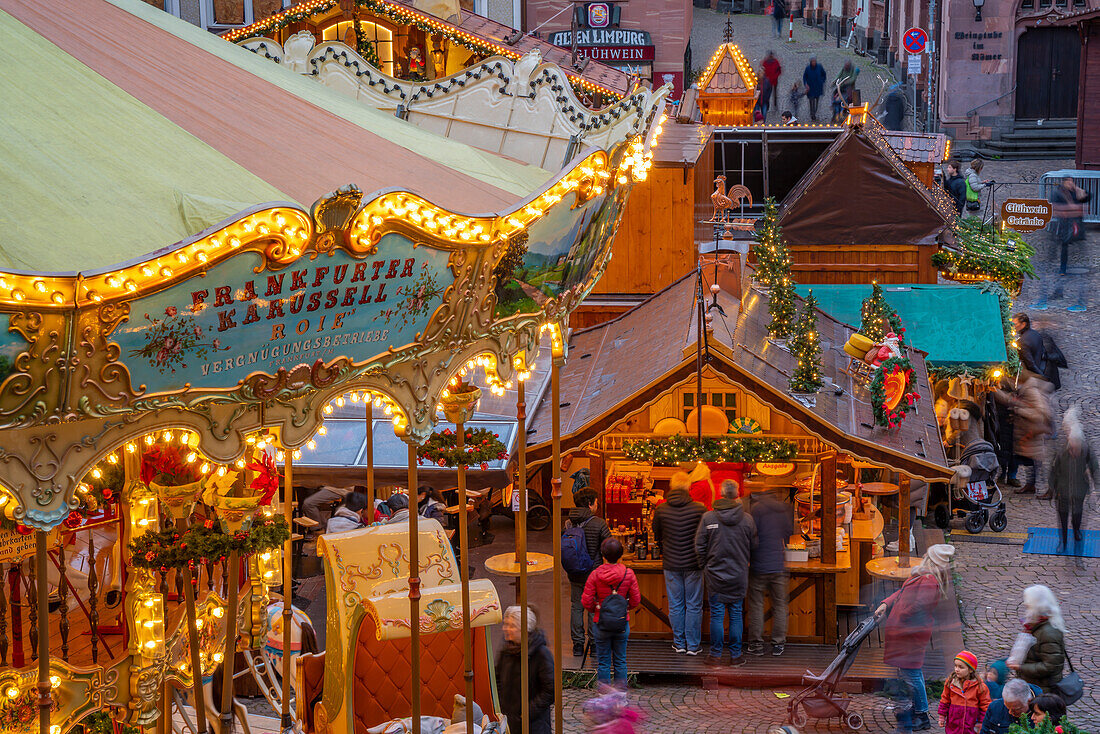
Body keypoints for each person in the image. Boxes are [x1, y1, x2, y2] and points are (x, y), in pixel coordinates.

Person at [874, 544, 956, 732]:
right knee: (911, 672)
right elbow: (902, 592)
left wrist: (899, 614)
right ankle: (918, 708)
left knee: (912, 673)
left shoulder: (928, 580)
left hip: (910, 634)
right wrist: (887, 604)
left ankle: (922, 714)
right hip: (908, 633)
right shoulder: (924, 575)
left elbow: (918, 605)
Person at [694, 480, 757, 667]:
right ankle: (736, 656)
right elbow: (754, 546)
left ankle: (715, 656)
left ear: (721, 494)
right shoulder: (747, 520)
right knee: (736, 614)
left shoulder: (708, 518)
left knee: (716, 615)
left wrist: (705, 565)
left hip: (715, 575)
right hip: (738, 573)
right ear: (737, 494)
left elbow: (700, 546)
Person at [652, 472, 705, 655]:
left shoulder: (661, 509)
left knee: (675, 604)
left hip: (671, 563)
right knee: (693, 605)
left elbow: (656, 535)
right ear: (688, 487)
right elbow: (705, 537)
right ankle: (693, 645)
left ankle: (679, 643)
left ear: (672, 487)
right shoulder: (699, 509)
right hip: (694, 564)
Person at [581, 538, 641, 687]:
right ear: (620, 555)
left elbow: (586, 600)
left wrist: (596, 609)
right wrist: (625, 608)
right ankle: (620, 697)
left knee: (603, 662)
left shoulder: (595, 575)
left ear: (603, 555)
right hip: (621, 622)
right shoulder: (628, 574)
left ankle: (605, 698)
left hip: (600, 622)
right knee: (620, 660)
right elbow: (636, 599)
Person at [745, 486, 793, 657]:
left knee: (756, 605)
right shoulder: (783, 509)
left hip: (758, 564)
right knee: (780, 605)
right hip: (778, 563)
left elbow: (751, 534)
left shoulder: (756, 509)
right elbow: (789, 531)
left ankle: (756, 645)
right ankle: (778, 644)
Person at [566, 488, 612, 656]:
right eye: (596, 502)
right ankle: (594, 645)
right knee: (594, 608)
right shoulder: (599, 523)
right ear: (590, 504)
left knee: (576, 607)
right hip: (594, 573)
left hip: (575, 572)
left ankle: (578, 645)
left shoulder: (569, 523)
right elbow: (609, 547)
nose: (597, 505)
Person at [494, 606, 554, 734]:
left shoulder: (541, 653)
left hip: (533, 725)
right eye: (505, 624)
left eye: (511, 626)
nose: (505, 629)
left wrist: (527, 712)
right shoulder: (506, 650)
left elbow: (550, 690)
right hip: (509, 722)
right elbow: (497, 679)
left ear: (524, 629)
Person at [1049, 406, 1097, 550]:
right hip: (1062, 490)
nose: (1075, 450)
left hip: (1079, 489)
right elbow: (1053, 470)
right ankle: (1063, 541)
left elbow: (1095, 468)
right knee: (1063, 516)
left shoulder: (1086, 450)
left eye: (1078, 447)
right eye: (1073, 447)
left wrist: (1097, 486)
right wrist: (1051, 487)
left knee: (1077, 513)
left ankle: (1076, 530)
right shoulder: (1061, 453)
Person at [1042, 176, 1090, 312]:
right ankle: (1059, 288)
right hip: (1061, 231)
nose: (1070, 184)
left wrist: (1080, 191)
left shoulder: (1075, 192)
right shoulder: (1057, 193)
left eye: (1072, 182)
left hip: (1074, 231)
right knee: (1057, 260)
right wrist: (1073, 208)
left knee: (1076, 264)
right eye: (1068, 181)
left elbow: (1087, 199)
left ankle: (1078, 299)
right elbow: (1057, 208)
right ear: (1063, 183)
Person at [1001, 369, 1053, 496]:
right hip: (1027, 433)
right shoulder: (1025, 389)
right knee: (1029, 461)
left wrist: (1019, 410)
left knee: (1033, 462)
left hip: (1031, 433)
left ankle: (1046, 488)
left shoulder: (1030, 391)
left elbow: (1040, 413)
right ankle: (1031, 485)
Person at [1009, 585, 1066, 693]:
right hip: (1035, 686)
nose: (1025, 605)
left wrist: (1021, 667)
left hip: (1043, 691)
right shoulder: (1035, 625)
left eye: (1028, 604)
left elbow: (1050, 666)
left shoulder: (1048, 633)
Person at [938, 650, 991, 734]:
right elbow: (945, 699)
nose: (957, 669)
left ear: (970, 670)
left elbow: (985, 705)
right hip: (953, 723)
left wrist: (982, 722)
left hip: (971, 724)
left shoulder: (980, 687)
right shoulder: (951, 683)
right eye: (955, 666)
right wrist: (942, 716)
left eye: (961, 667)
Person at [1012, 313, 1047, 377]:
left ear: (1023, 324)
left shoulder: (1022, 342)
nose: (1013, 326)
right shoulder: (1035, 333)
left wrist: (1042, 376)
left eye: (1015, 324)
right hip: (1042, 364)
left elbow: (1030, 364)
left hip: (1032, 373)